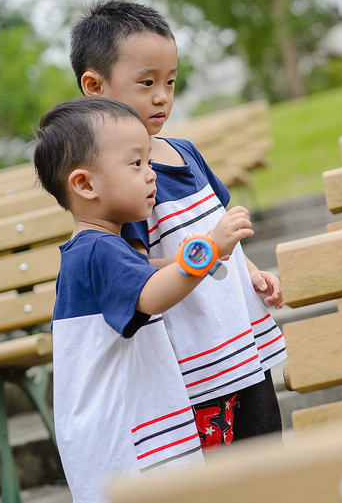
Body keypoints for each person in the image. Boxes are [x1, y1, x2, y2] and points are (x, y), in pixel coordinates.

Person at [68, 1, 287, 452]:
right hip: (196, 366)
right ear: (95, 85)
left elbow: (224, 238)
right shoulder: (125, 184)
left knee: (268, 460)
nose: (162, 96)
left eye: (170, 82)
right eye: (146, 82)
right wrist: (208, 252)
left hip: (241, 343)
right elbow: (136, 270)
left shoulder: (185, 152)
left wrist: (253, 275)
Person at [34, 97, 257, 501]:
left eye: (149, 162)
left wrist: (207, 254)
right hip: (129, 445)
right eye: (136, 164)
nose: (152, 174)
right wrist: (206, 249)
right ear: (84, 184)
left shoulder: (97, 250)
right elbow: (153, 295)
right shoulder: (97, 251)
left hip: (122, 440)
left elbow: (154, 271)